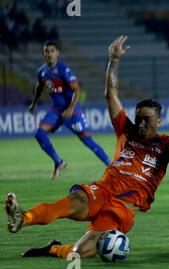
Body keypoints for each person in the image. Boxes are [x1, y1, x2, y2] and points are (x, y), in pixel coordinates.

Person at [5, 35, 169, 259]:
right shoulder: (126, 128)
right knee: (65, 206)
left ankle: (53, 248)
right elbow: (111, 93)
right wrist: (113, 60)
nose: (142, 123)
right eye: (139, 118)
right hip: (102, 191)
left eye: (148, 120)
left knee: (80, 252)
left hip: (124, 209)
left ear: (159, 122)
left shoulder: (166, 143)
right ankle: (22, 218)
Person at [28, 40, 110, 179]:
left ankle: (111, 167)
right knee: (39, 134)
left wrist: (71, 108)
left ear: (57, 53)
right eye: (47, 51)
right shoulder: (42, 71)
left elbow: (77, 90)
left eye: (52, 51)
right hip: (56, 110)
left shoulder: (63, 69)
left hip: (73, 111)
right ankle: (58, 162)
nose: (49, 54)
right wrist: (34, 104)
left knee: (88, 142)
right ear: (43, 53)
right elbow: (39, 87)